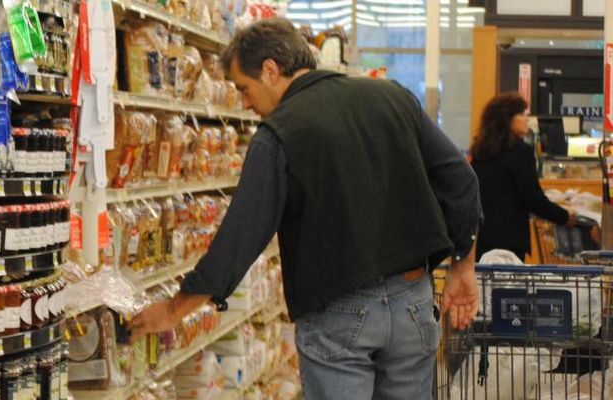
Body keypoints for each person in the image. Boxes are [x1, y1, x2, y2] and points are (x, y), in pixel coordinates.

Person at [129, 18, 483, 400]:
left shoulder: (279, 133)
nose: (246, 103)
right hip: (412, 302)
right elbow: (461, 181)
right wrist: (463, 264)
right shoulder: (393, 97)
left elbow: (241, 236)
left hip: (338, 314)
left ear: (270, 70)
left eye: (244, 89)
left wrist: (173, 310)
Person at [470, 92, 575, 260]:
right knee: (509, 284)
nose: (527, 118)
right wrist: (564, 216)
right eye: (522, 113)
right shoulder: (521, 152)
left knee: (485, 284)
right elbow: (533, 198)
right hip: (510, 240)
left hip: (482, 237)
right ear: (507, 118)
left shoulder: (480, 151)